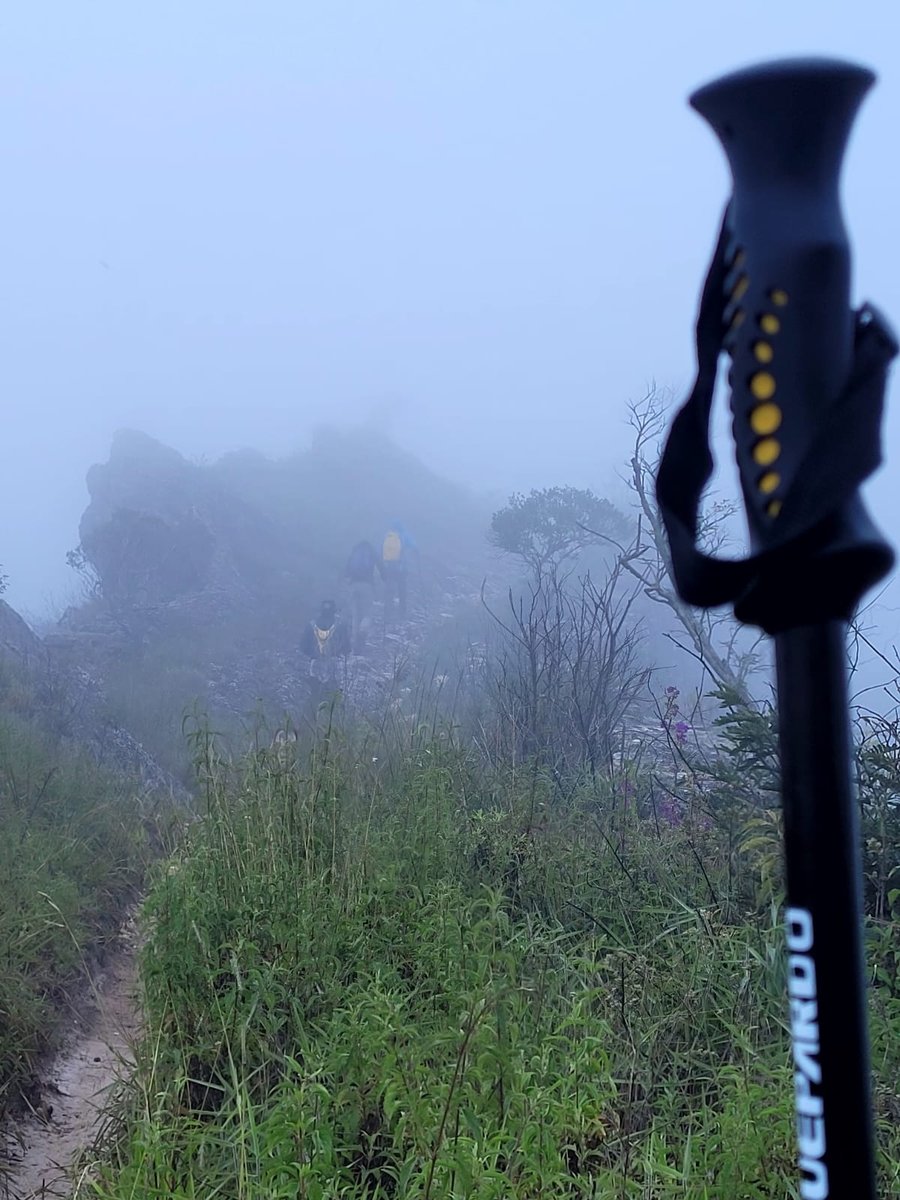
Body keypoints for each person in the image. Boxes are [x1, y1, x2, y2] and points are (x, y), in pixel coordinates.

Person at [379, 521, 418, 618]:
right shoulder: (405, 535)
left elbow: (380, 549)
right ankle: (402, 612)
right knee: (402, 589)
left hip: (389, 566)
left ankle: (387, 612)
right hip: (401, 567)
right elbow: (414, 545)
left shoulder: (387, 535)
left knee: (389, 590)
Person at [344, 540, 378, 652]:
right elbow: (381, 566)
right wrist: (385, 578)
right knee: (367, 613)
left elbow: (346, 569)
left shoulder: (355, 551)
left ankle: (354, 643)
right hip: (367, 586)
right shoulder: (371, 552)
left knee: (355, 615)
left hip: (354, 585)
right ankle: (362, 633)